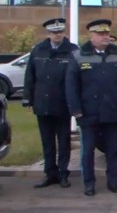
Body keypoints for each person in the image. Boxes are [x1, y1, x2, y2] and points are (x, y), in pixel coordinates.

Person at [65, 19, 117, 197]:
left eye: (106, 34)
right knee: (88, 151)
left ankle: (113, 181)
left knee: (113, 149)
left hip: (112, 110)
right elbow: (71, 86)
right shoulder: (79, 55)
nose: (105, 37)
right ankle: (89, 183)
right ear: (91, 36)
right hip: (88, 111)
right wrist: (75, 109)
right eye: (101, 34)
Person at [23, 18, 78, 189]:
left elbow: (77, 79)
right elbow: (30, 76)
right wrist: (27, 99)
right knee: (47, 142)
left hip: (62, 104)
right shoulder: (38, 50)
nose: (58, 35)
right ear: (48, 33)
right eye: (54, 32)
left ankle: (63, 174)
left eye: (60, 31)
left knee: (63, 141)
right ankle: (49, 173)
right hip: (43, 103)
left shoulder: (73, 51)